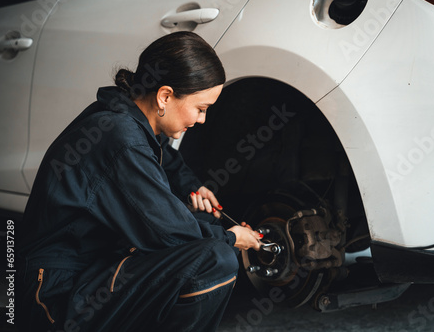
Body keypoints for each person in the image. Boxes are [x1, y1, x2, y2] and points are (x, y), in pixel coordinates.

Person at [17, 31, 261, 332]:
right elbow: (173, 233)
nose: (202, 121)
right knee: (216, 259)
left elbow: (167, 163)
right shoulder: (121, 138)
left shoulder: (124, 118)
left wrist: (193, 188)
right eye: (201, 109)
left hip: (86, 272)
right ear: (166, 96)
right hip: (53, 298)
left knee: (202, 228)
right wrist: (233, 238)